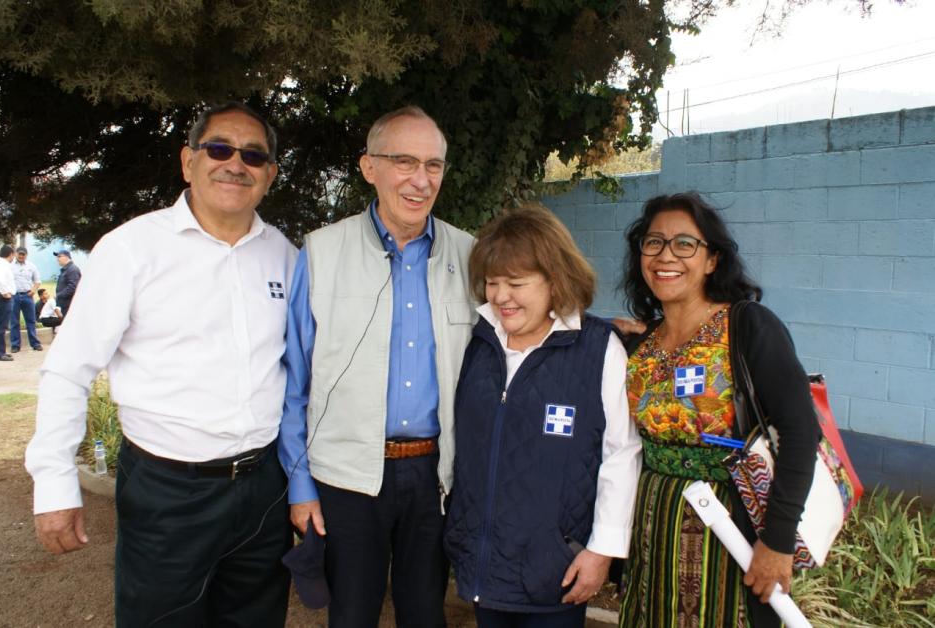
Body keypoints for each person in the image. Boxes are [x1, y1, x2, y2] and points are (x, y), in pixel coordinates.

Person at [25, 102, 297, 627]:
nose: (234, 163)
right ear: (187, 161)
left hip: (263, 490)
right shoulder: (131, 249)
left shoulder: (282, 254)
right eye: (219, 148)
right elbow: (69, 369)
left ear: (270, 174)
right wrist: (55, 483)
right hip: (169, 493)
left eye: (253, 155)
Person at [280, 105, 476, 627]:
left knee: (424, 615)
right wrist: (300, 488)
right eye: (404, 161)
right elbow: (294, 383)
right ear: (369, 168)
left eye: (433, 165)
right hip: (346, 479)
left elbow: (526, 320)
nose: (420, 179)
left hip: (435, 474)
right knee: (352, 615)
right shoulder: (321, 252)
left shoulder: (470, 254)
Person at [616, 192, 821, 627]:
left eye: (684, 244)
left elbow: (802, 432)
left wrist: (778, 541)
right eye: (653, 243)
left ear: (712, 260)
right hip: (652, 531)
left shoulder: (747, 326)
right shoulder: (641, 344)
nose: (665, 255)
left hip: (730, 533)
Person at [444, 204, 643, 627]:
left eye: (516, 283)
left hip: (555, 569)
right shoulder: (478, 341)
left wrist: (602, 550)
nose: (500, 296)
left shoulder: (597, 348)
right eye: (493, 283)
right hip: (484, 563)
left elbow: (621, 453)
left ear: (555, 280)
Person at [10, 246, 44, 352]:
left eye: (23, 254)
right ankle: (15, 345)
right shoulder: (10, 266)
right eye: (19, 254)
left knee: (31, 321)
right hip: (14, 296)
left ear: (26, 255)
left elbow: (37, 281)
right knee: (14, 322)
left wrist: (33, 290)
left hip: (27, 296)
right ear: (16, 254)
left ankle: (35, 344)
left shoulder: (31, 266)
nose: (21, 256)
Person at [0, 244, 17, 361]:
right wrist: (5, 293)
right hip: (3, 298)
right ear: (11, 254)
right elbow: (1, 280)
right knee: (1, 326)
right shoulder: (3, 265)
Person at [53, 249, 81, 316]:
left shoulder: (72, 269)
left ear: (67, 257)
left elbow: (73, 287)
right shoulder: (66, 269)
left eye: (59, 256)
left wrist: (59, 295)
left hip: (70, 305)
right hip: (65, 304)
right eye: (57, 257)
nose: (57, 259)